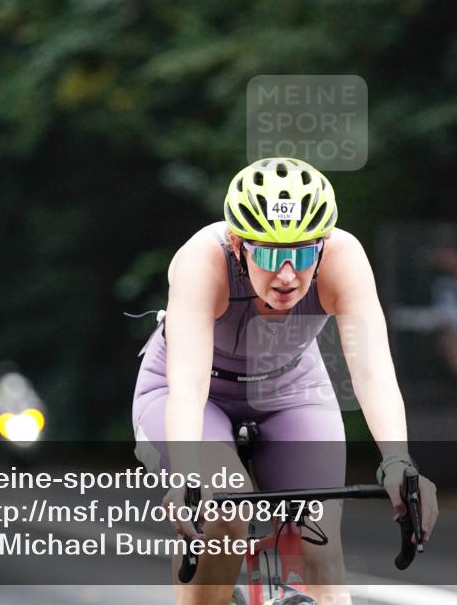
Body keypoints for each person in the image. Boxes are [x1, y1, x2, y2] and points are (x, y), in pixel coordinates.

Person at [131, 157, 439, 605]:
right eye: (272, 254)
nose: (288, 274)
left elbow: (372, 371)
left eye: (303, 253)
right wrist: (187, 473)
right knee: (225, 512)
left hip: (291, 387)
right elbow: (188, 383)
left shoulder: (344, 258)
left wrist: (398, 462)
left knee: (318, 537)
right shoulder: (203, 261)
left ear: (323, 244)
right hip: (190, 390)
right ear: (238, 245)